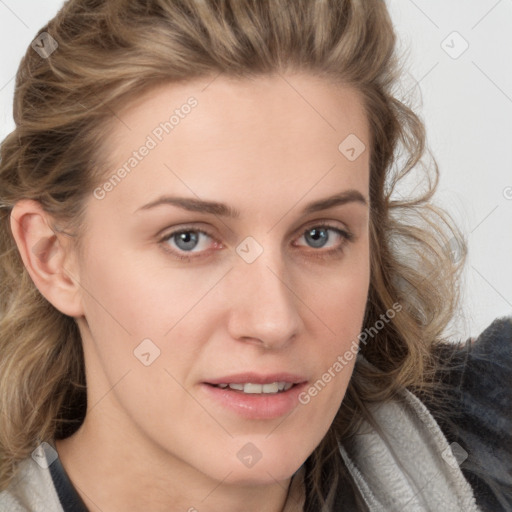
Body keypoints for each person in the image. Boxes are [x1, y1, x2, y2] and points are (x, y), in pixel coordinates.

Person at [0, 0, 510, 510]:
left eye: (319, 235)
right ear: (53, 258)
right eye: (189, 239)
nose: (273, 321)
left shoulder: (488, 441)